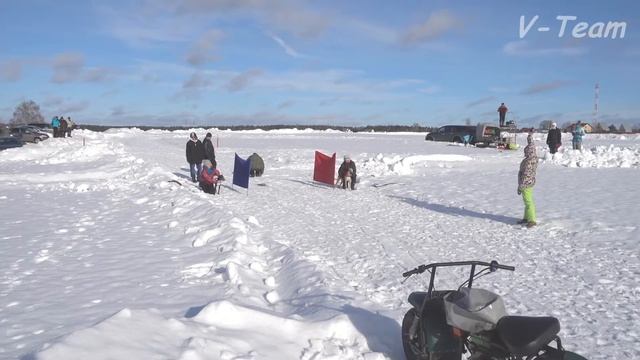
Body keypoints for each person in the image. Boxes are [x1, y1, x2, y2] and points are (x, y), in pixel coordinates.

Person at [517, 134, 538, 228]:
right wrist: (529, 138)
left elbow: (526, 175)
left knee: (528, 202)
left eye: (526, 152)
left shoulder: (528, 161)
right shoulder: (533, 158)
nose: (524, 153)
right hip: (529, 182)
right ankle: (526, 217)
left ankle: (532, 220)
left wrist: (521, 185)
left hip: (526, 184)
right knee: (527, 201)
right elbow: (531, 145)